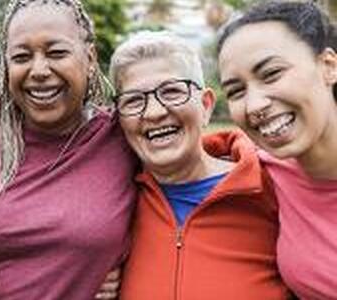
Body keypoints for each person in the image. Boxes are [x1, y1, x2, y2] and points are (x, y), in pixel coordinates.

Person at [0, 0, 137, 299]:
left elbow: (189, 168)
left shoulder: (123, 135)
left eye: (57, 53)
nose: (39, 70)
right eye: (21, 56)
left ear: (90, 58)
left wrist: (132, 270)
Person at [109, 31, 290, 299]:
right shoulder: (114, 206)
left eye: (171, 92)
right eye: (133, 100)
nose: (155, 112)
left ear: (205, 105)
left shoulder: (277, 188)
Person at [217, 1, 337, 299]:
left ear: (328, 66)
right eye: (236, 91)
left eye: (271, 74)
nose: (255, 105)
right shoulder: (262, 175)